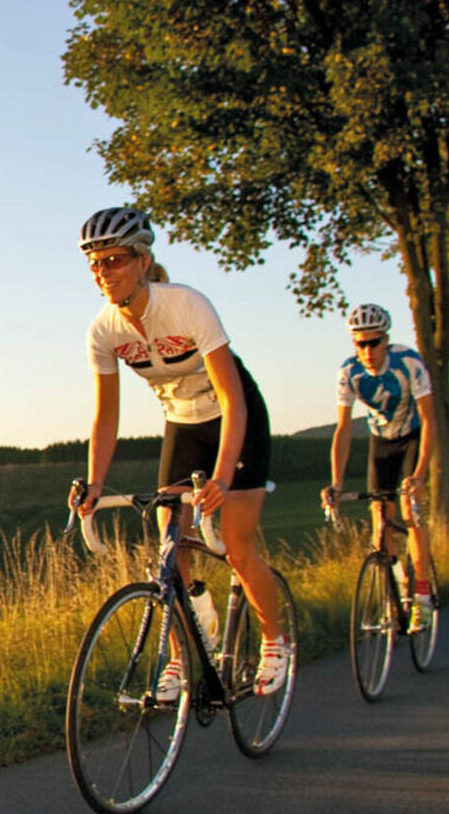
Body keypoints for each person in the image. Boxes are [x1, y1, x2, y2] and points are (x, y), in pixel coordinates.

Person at [70, 207, 291, 699]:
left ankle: (275, 642)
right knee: (171, 546)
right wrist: (95, 484)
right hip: (184, 423)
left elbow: (232, 397)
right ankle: (185, 648)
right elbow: (107, 417)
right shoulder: (104, 331)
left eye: (116, 260)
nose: (104, 272)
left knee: (234, 542)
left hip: (235, 418)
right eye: (96, 264)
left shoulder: (187, 304)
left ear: (143, 260)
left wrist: (223, 480)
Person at [322, 303, 438, 631]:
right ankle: (395, 587)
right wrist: (337, 482)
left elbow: (430, 420)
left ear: (386, 340)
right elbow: (343, 429)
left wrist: (420, 474)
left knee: (410, 507)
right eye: (361, 344)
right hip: (381, 443)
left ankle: (423, 595)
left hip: (412, 437)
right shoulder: (349, 373)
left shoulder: (409, 363)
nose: (368, 350)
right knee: (380, 520)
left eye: (374, 342)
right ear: (353, 344)